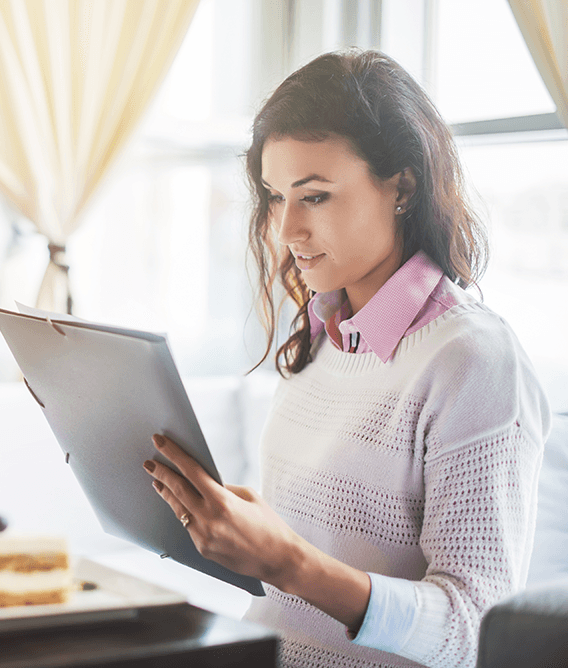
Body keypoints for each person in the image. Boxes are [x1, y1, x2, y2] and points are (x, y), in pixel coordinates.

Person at [143, 49, 550, 668]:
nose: (285, 231)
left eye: (316, 197)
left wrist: (288, 561)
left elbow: (472, 633)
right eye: (276, 197)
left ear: (403, 187)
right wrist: (236, 532)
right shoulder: (329, 333)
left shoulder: (472, 359)